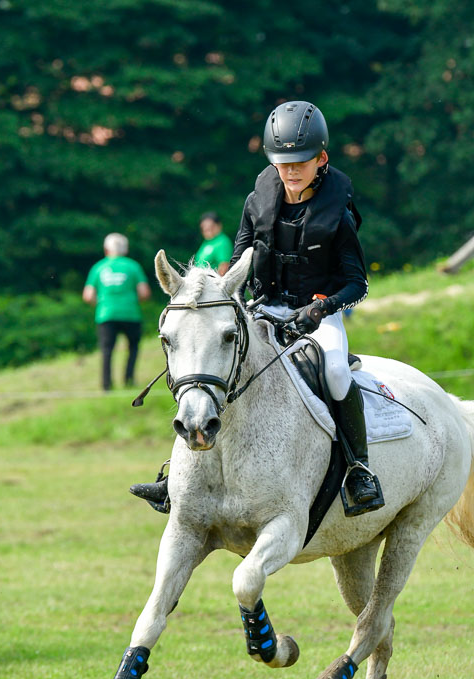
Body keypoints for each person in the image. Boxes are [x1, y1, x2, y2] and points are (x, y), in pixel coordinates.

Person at [132, 100, 383, 515]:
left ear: (321, 159)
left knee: (337, 373)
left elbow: (358, 284)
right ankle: (175, 478)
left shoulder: (338, 213)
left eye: (300, 163)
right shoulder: (258, 199)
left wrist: (322, 308)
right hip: (263, 309)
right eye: (282, 163)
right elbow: (240, 257)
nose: (291, 172)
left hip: (317, 316)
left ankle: (359, 469)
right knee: (211, 366)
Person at [83, 233, 151, 391]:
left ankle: (106, 385)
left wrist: (100, 304)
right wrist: (132, 301)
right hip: (131, 313)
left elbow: (88, 295)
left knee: (106, 350)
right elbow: (144, 293)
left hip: (106, 314)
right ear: (125, 249)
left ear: (106, 249)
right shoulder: (133, 266)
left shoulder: (99, 267)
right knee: (133, 347)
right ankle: (129, 380)